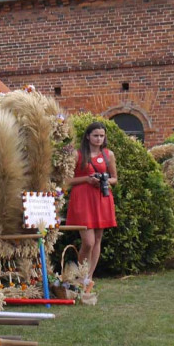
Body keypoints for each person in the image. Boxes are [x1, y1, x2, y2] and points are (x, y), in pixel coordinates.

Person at [66, 121, 117, 292]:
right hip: (82, 199)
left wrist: (103, 180)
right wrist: (87, 179)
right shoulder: (77, 154)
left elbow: (114, 179)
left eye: (102, 136)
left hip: (101, 198)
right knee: (88, 241)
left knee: (97, 239)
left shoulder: (108, 154)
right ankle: (82, 275)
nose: (99, 139)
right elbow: (66, 181)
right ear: (88, 136)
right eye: (95, 135)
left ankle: (88, 279)